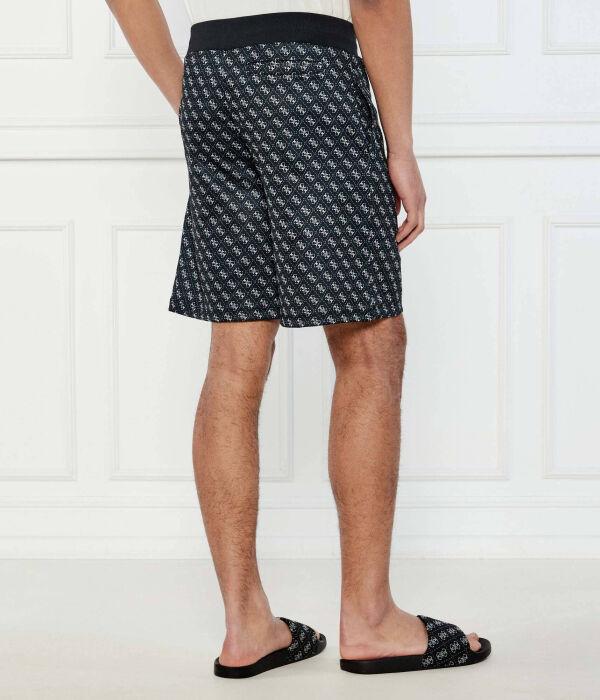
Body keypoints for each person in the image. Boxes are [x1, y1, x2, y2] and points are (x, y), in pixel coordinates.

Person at [106, 0, 491, 678]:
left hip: (212, 74)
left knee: (235, 358)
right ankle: (371, 621)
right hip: (308, 74)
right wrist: (401, 148)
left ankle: (247, 626)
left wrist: (188, 88)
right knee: (370, 342)